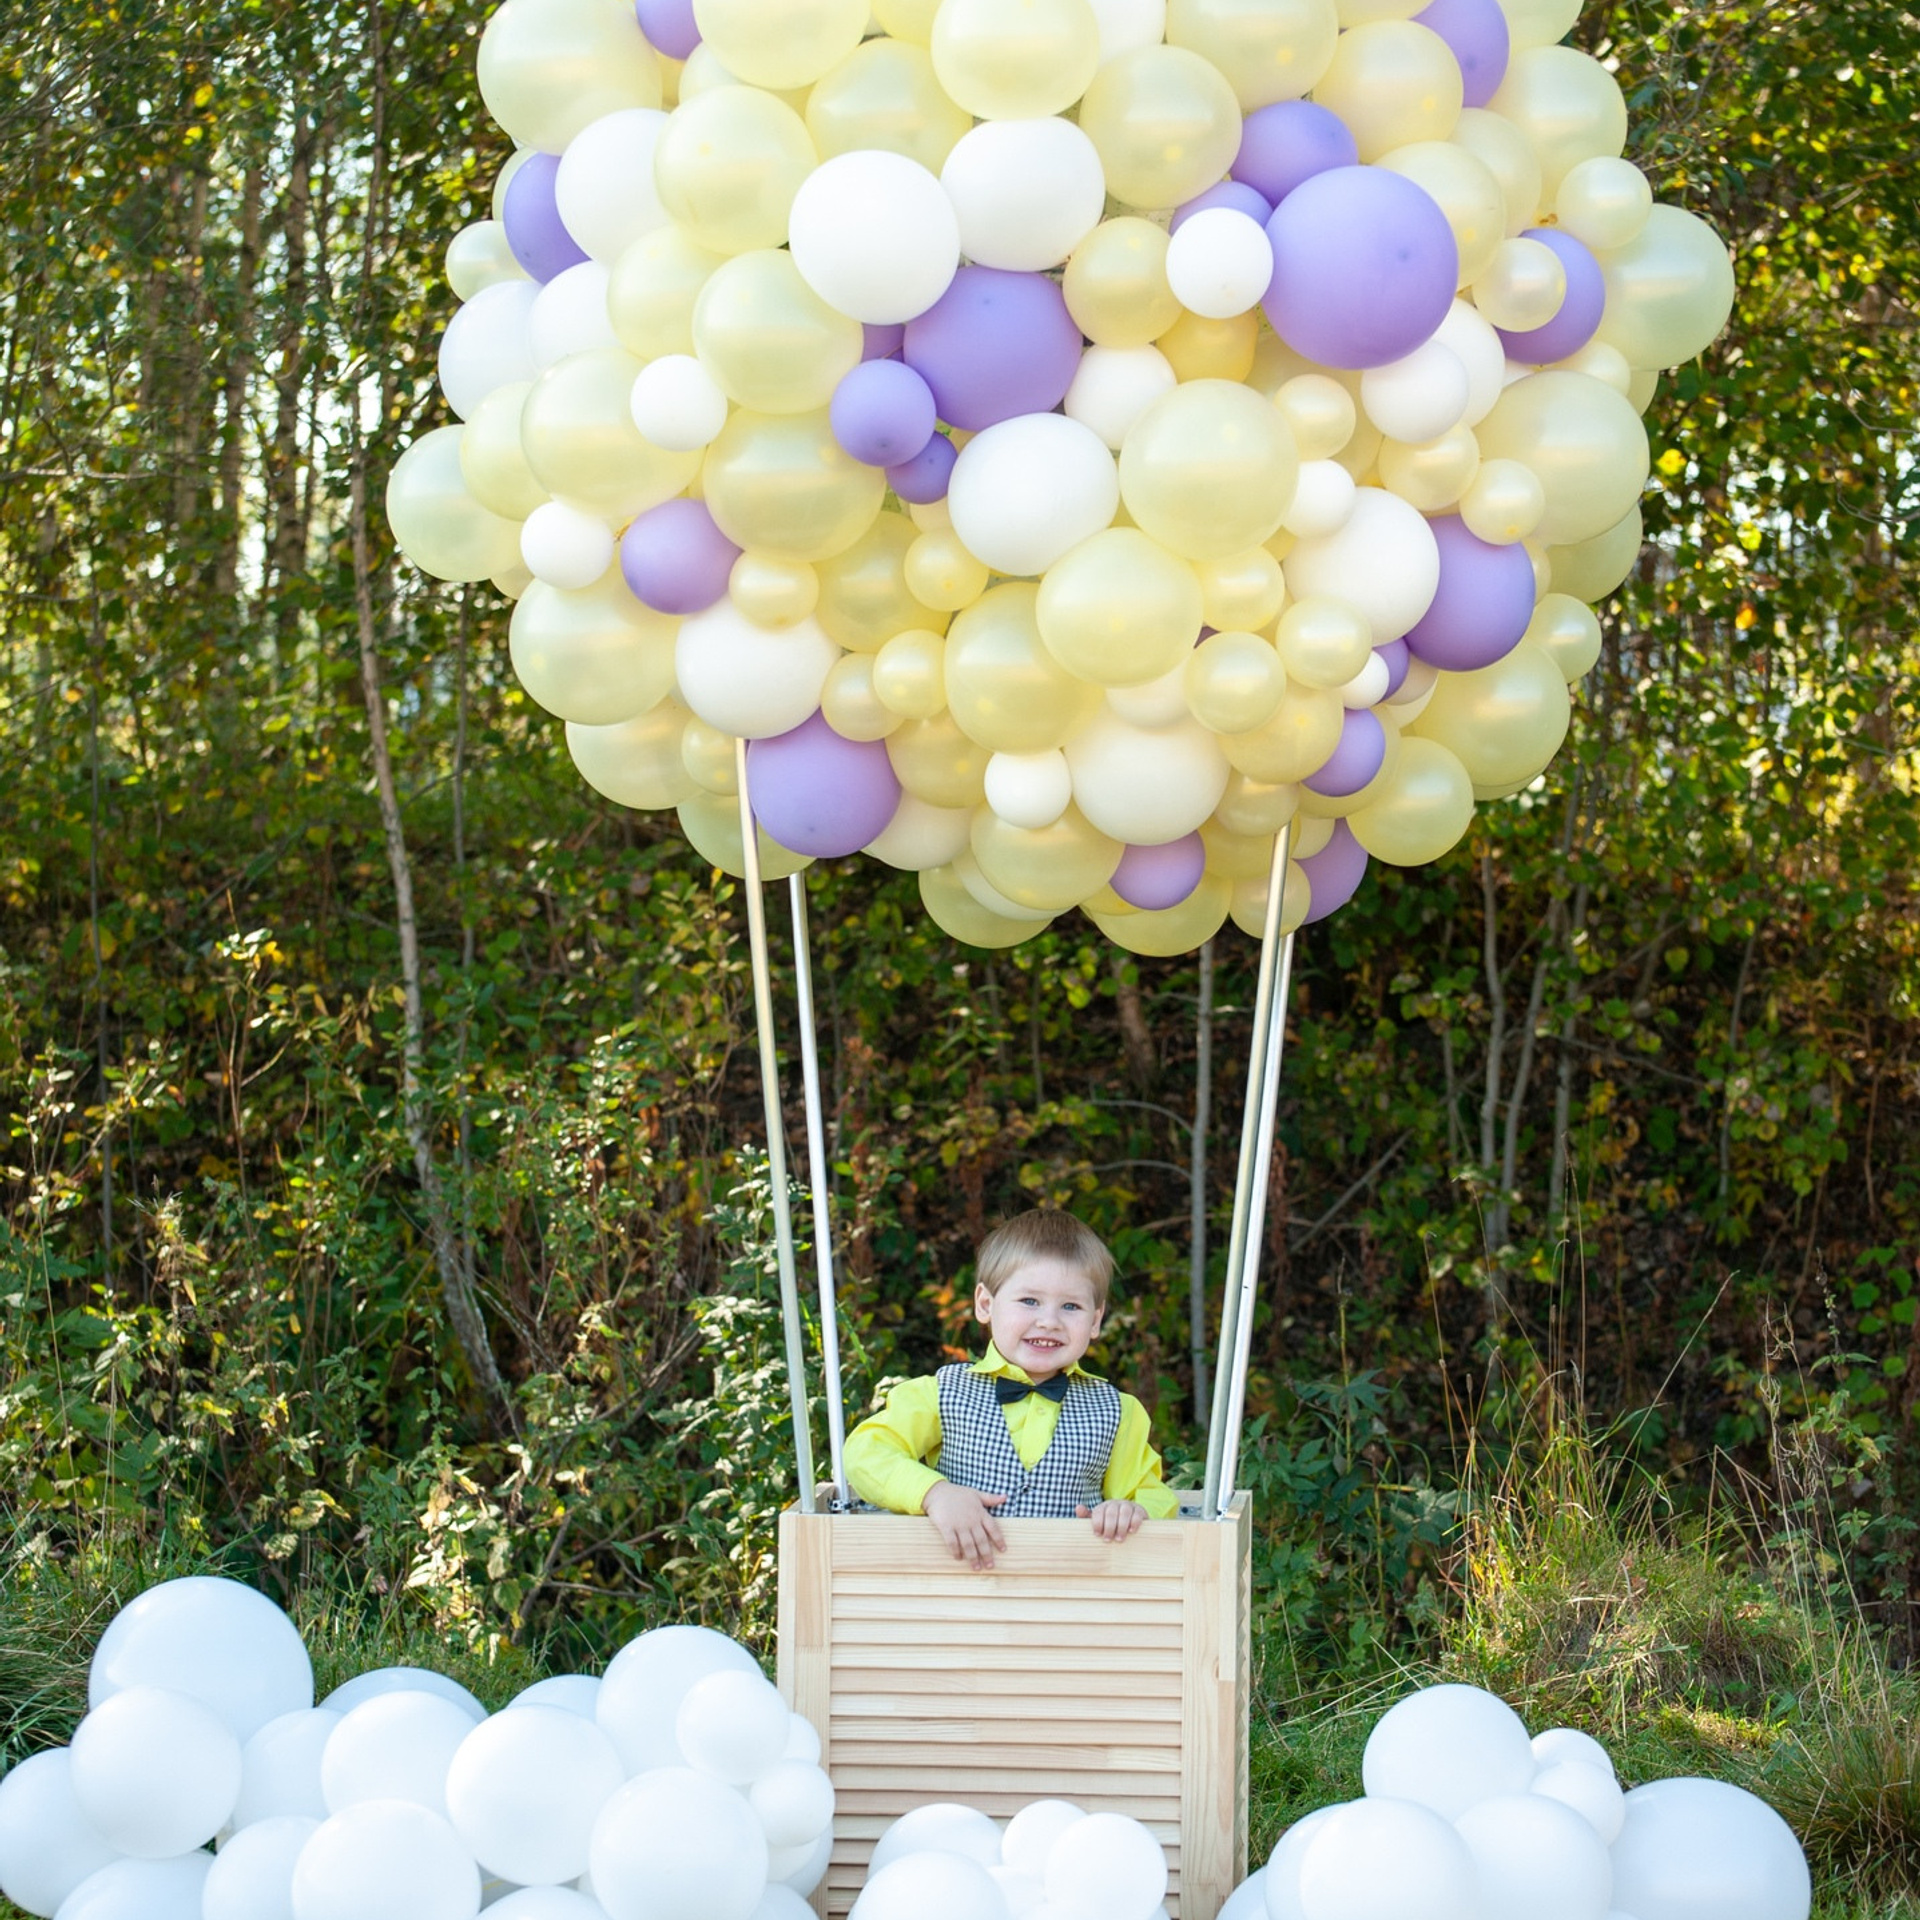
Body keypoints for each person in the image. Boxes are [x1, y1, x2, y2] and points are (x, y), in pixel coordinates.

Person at [844, 1209, 1178, 1568]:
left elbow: (1154, 1497)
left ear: (1095, 1320)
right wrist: (934, 1494)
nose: (1049, 1321)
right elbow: (865, 1453)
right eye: (1029, 1301)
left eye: (1071, 1306)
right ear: (985, 1305)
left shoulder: (1117, 1410)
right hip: (956, 1592)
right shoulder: (940, 1393)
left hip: (1069, 1595)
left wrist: (1131, 1511)